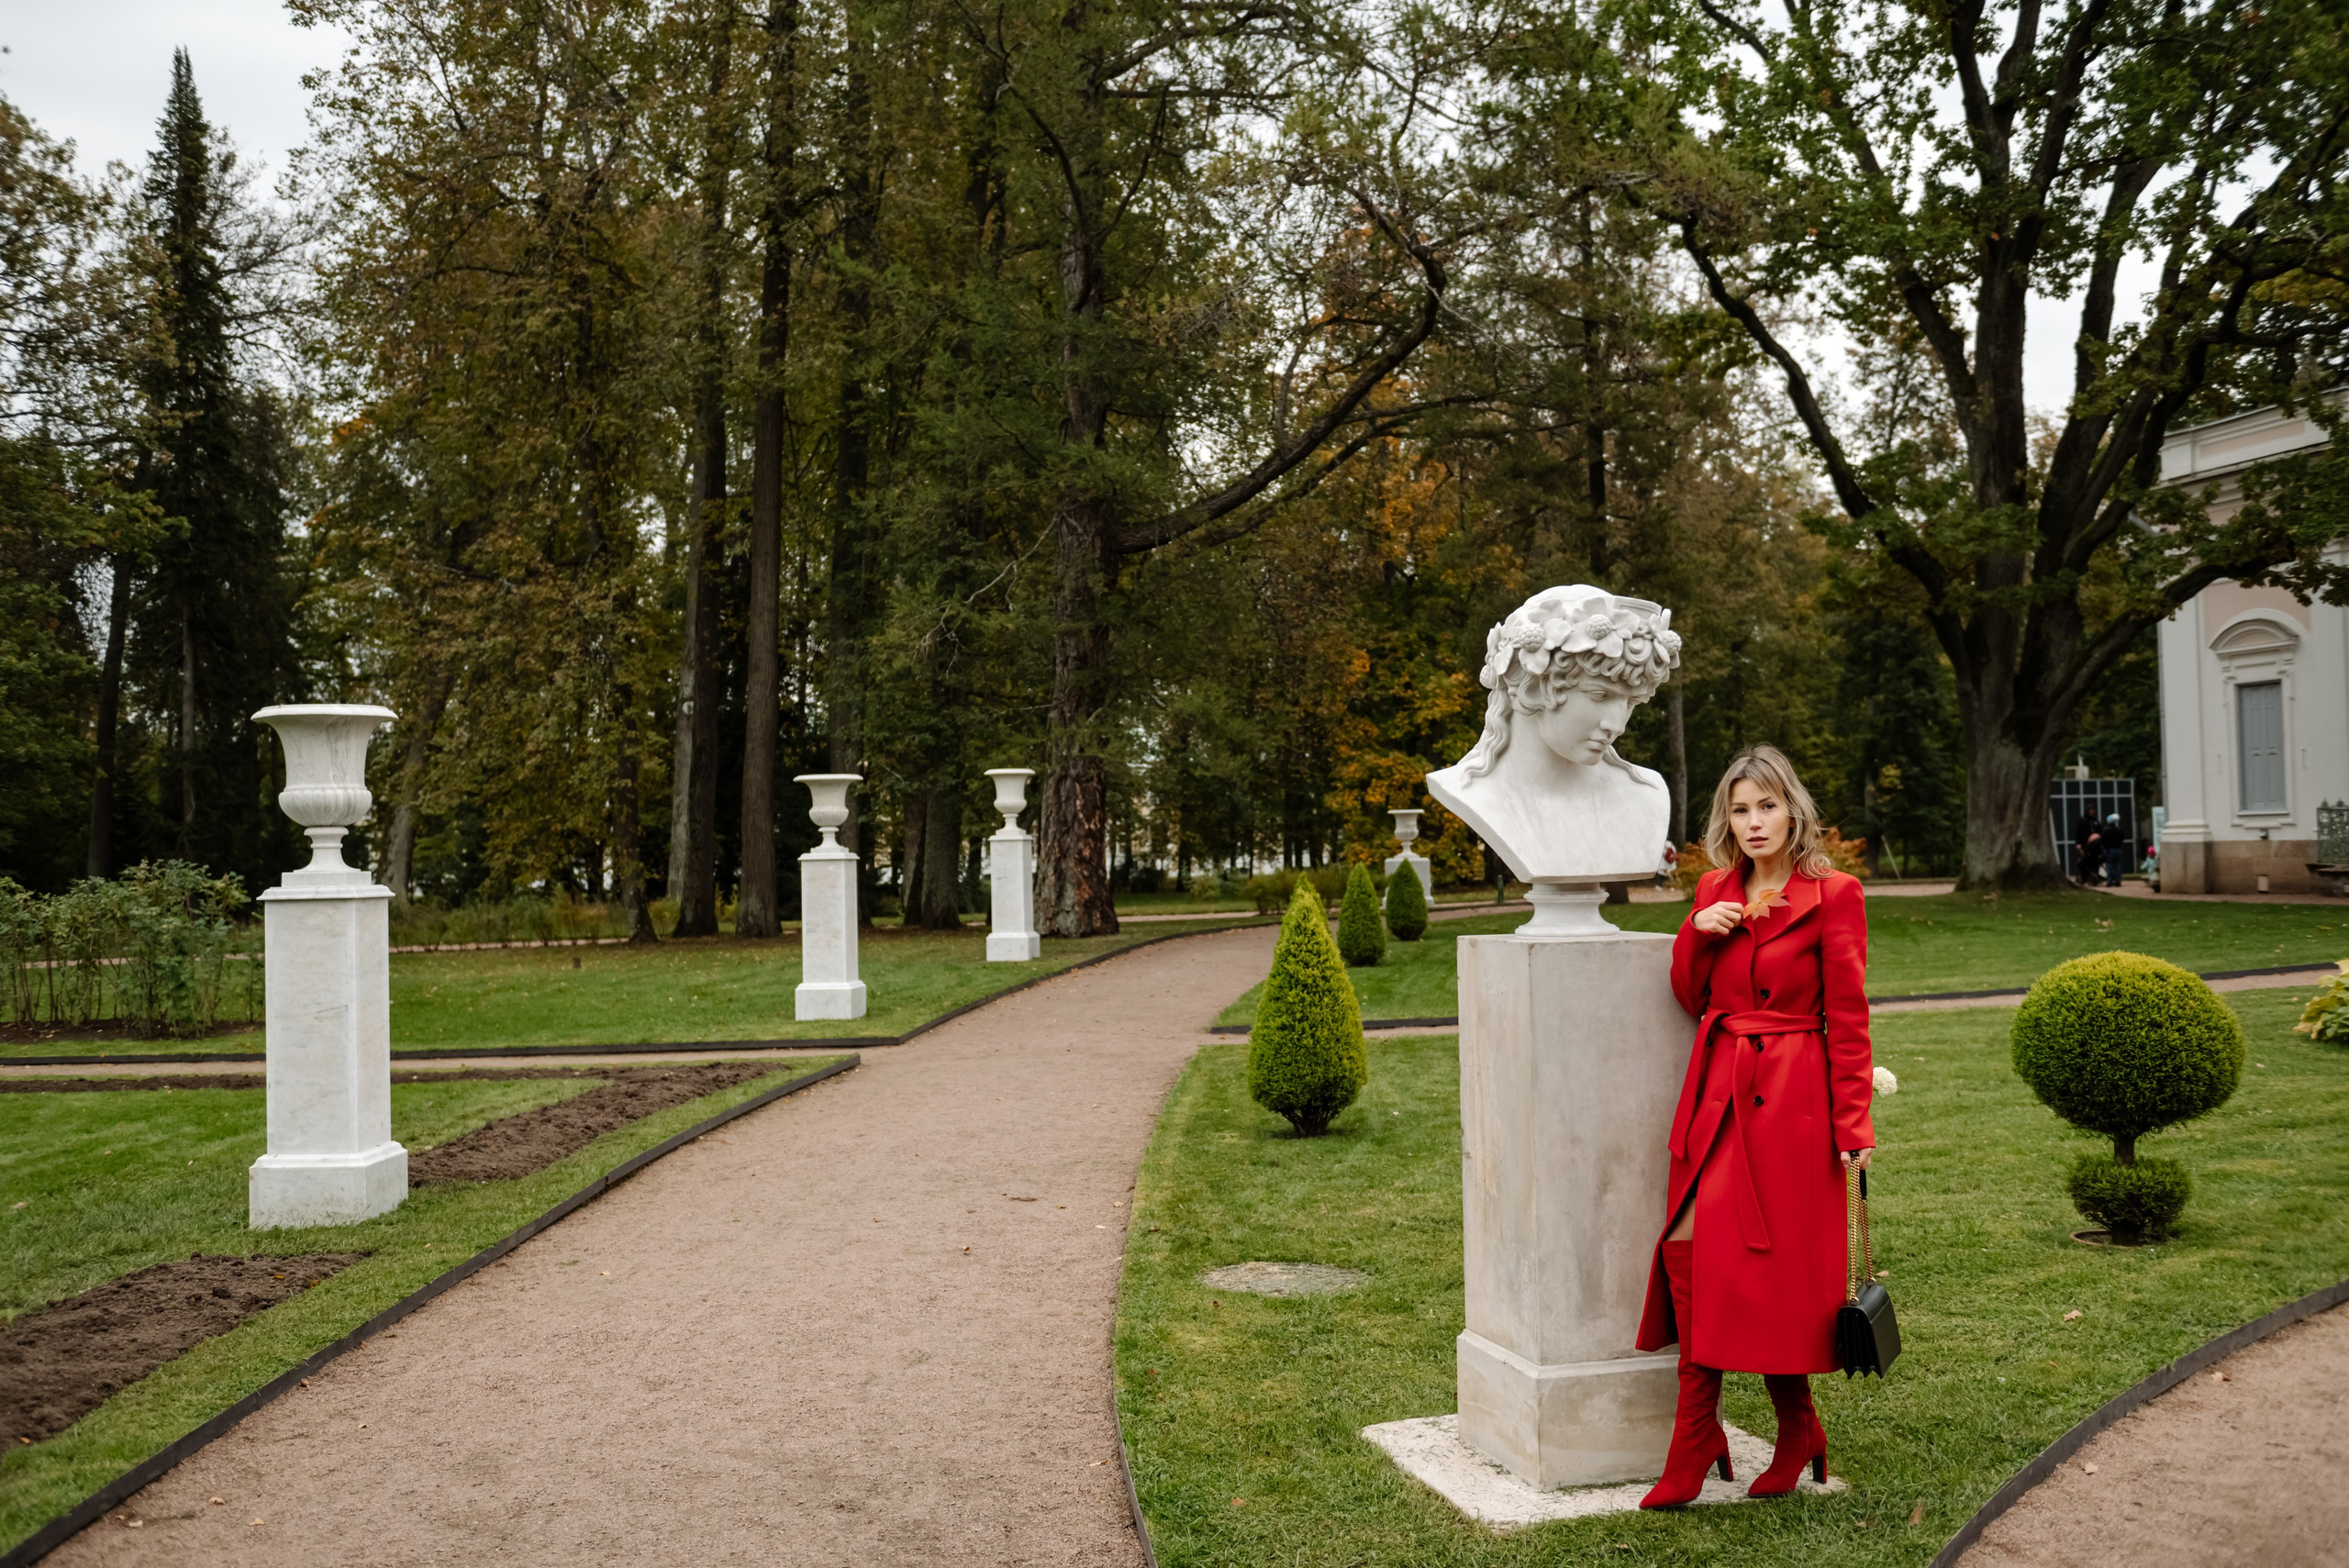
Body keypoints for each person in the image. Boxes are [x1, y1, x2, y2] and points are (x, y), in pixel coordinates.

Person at [1635, 743, 1876, 1508]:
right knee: (1685, 1244)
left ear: (1792, 808)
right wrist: (1697, 930)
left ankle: (1794, 1426)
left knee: (1772, 1275)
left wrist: (1852, 1121)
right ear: (1725, 820)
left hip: (1794, 1098)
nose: (1754, 821)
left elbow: (1848, 1013)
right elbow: (1687, 993)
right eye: (1741, 809)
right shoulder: (1715, 887)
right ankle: (1698, 1434)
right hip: (1719, 1091)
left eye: (1767, 805)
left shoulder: (1834, 893)